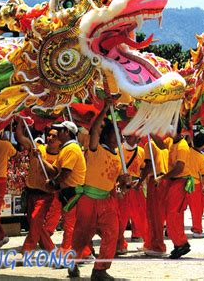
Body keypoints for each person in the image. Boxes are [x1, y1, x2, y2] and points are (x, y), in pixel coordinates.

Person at [68, 102, 130, 280]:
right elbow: (94, 130)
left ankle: (100, 269)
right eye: (117, 133)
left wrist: (125, 185)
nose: (121, 137)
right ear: (109, 135)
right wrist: (105, 109)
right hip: (88, 199)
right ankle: (72, 262)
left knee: (112, 233)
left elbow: (118, 185)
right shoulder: (96, 149)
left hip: (106, 201)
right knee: (81, 236)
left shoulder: (119, 159)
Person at [15, 120, 59, 253]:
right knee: (35, 223)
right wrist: (20, 122)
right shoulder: (37, 147)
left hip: (45, 195)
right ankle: (50, 248)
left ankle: (27, 250)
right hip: (30, 192)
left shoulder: (61, 156)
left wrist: (42, 159)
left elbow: (55, 173)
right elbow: (20, 138)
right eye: (49, 135)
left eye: (54, 136)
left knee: (35, 220)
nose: (50, 138)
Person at [45, 120, 86, 254]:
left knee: (70, 225)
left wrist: (53, 183)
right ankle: (83, 252)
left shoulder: (71, 149)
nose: (57, 133)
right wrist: (40, 159)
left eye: (60, 130)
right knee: (71, 224)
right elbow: (55, 170)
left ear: (67, 132)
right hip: (68, 192)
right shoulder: (65, 148)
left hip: (73, 192)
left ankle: (67, 252)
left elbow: (65, 173)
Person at [155, 122, 191, 259]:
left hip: (180, 182)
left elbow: (179, 167)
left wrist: (163, 177)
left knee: (173, 214)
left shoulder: (182, 146)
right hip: (172, 182)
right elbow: (161, 145)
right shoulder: (171, 141)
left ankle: (182, 243)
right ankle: (178, 244)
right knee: (172, 215)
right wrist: (149, 131)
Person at [116, 134, 147, 254]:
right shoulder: (118, 150)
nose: (129, 137)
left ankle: (149, 242)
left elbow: (143, 168)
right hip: (122, 187)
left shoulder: (141, 151)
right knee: (120, 218)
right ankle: (119, 244)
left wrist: (140, 181)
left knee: (141, 216)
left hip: (135, 188)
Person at [140, 134, 169, 257]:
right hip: (163, 180)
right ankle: (150, 243)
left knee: (154, 215)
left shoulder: (149, 144)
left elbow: (148, 166)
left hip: (155, 180)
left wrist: (139, 182)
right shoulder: (165, 144)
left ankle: (157, 246)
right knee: (158, 215)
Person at [186, 132, 204, 238]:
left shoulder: (186, 151)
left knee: (177, 208)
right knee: (196, 209)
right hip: (195, 184)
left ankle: (169, 228)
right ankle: (197, 230)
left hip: (182, 182)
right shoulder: (201, 158)